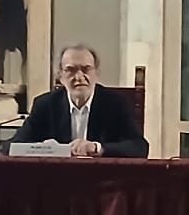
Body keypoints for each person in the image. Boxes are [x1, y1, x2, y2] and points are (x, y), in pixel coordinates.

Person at [16, 44, 149, 157]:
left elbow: (139, 147)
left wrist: (97, 148)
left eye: (86, 69)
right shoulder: (45, 104)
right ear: (60, 76)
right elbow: (12, 146)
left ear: (97, 73)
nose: (79, 77)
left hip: (103, 177)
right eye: (70, 70)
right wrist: (45, 149)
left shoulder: (116, 103)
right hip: (57, 176)